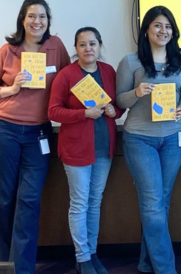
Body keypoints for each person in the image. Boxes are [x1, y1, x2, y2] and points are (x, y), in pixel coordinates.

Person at [116, 6, 181, 274]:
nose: (163, 31)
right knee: (153, 204)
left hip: (173, 138)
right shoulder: (130, 62)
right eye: (158, 25)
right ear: (146, 29)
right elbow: (119, 100)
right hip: (140, 141)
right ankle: (166, 269)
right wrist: (136, 91)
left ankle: (146, 262)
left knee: (161, 202)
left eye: (168, 26)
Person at [0, 0, 70, 274]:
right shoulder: (7, 50)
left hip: (39, 134)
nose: (37, 21)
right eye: (31, 16)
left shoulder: (56, 47)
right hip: (6, 129)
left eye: (42, 16)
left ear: (48, 21)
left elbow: (69, 81)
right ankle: (3, 261)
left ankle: (22, 268)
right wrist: (12, 89)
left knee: (29, 200)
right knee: (4, 198)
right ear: (22, 19)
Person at [48, 27, 123, 274]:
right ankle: (82, 258)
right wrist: (83, 114)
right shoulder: (66, 75)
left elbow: (117, 105)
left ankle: (91, 253)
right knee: (79, 203)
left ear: (100, 46)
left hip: (104, 149)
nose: (88, 48)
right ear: (76, 49)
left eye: (92, 44)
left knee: (94, 203)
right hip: (76, 150)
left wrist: (115, 111)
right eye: (82, 45)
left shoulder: (109, 72)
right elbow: (53, 111)